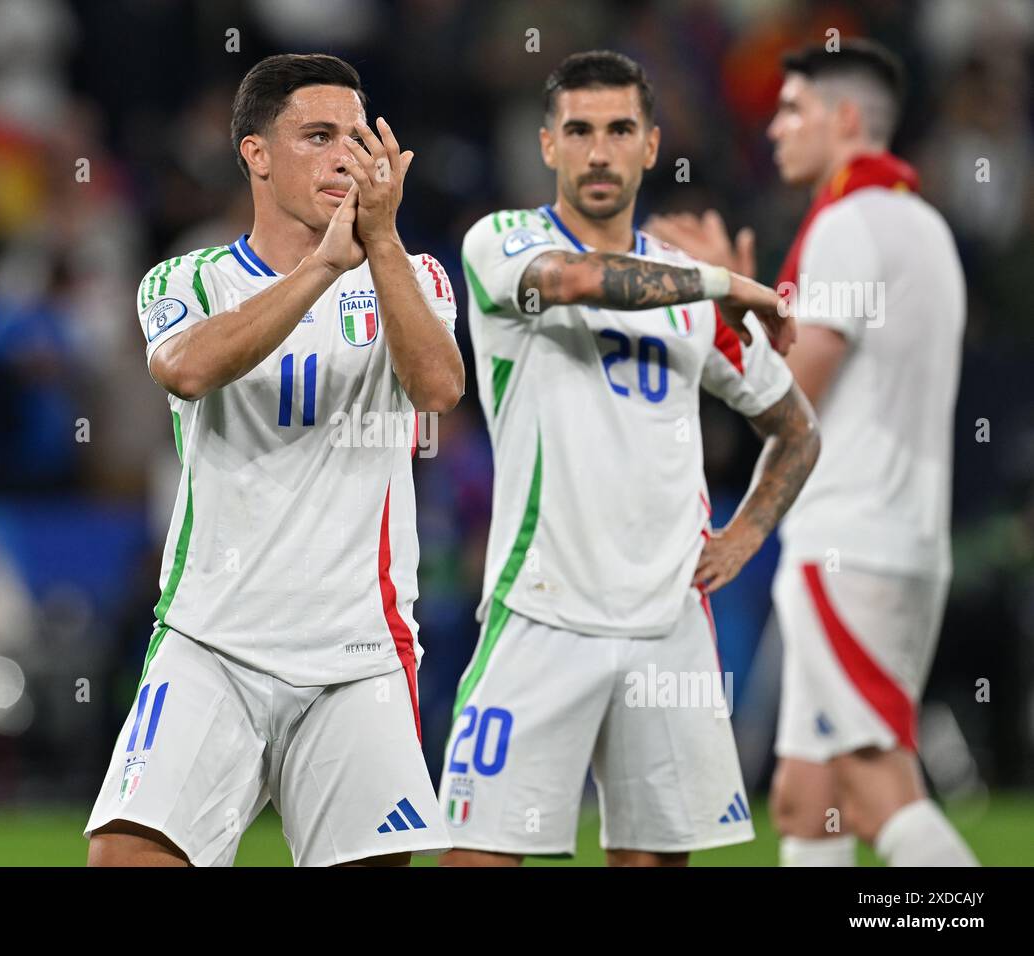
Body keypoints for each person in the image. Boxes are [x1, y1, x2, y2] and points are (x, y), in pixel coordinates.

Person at [84, 54, 464, 867]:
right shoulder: (187, 278)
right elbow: (187, 368)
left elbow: (436, 388)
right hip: (212, 641)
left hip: (357, 654)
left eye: (357, 138)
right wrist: (322, 265)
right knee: (124, 859)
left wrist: (379, 242)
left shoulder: (415, 274)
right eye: (317, 136)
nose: (345, 157)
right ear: (255, 153)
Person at [439, 50, 816, 867]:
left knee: (652, 861)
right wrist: (721, 282)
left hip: (667, 623)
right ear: (547, 145)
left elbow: (797, 428)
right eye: (578, 131)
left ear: (651, 146)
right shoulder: (502, 244)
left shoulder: (693, 294)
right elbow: (573, 280)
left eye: (620, 131)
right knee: (477, 855)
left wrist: (748, 530)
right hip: (540, 609)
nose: (599, 152)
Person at [647, 39, 976, 866]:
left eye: (792, 109)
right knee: (807, 795)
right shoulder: (924, 224)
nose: (775, 127)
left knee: (874, 787)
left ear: (847, 118)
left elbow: (789, 400)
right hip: (900, 537)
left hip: (848, 543)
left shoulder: (845, 225)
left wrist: (721, 299)